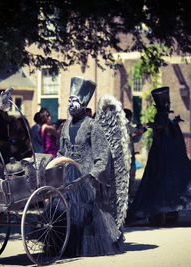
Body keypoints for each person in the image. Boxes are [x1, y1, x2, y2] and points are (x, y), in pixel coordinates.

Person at [126, 87, 191, 226]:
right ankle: (165, 210)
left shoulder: (163, 117)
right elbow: (163, 129)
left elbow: (165, 130)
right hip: (162, 154)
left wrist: (160, 125)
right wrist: (157, 125)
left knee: (161, 180)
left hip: (163, 155)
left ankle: (166, 210)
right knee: (162, 180)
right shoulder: (163, 117)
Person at [56, 76, 127, 257]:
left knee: (88, 212)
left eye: (75, 101)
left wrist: (93, 175)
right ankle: (66, 245)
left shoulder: (93, 126)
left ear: (83, 103)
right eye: (69, 100)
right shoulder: (65, 126)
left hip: (86, 176)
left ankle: (86, 246)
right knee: (65, 210)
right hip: (67, 174)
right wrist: (56, 163)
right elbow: (62, 150)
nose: (71, 104)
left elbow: (103, 155)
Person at [123, 108, 143, 198]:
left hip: (126, 157)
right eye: (131, 117)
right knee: (129, 178)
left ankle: (128, 196)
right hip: (127, 158)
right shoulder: (126, 126)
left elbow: (134, 139)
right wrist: (141, 128)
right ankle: (129, 196)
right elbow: (138, 132)